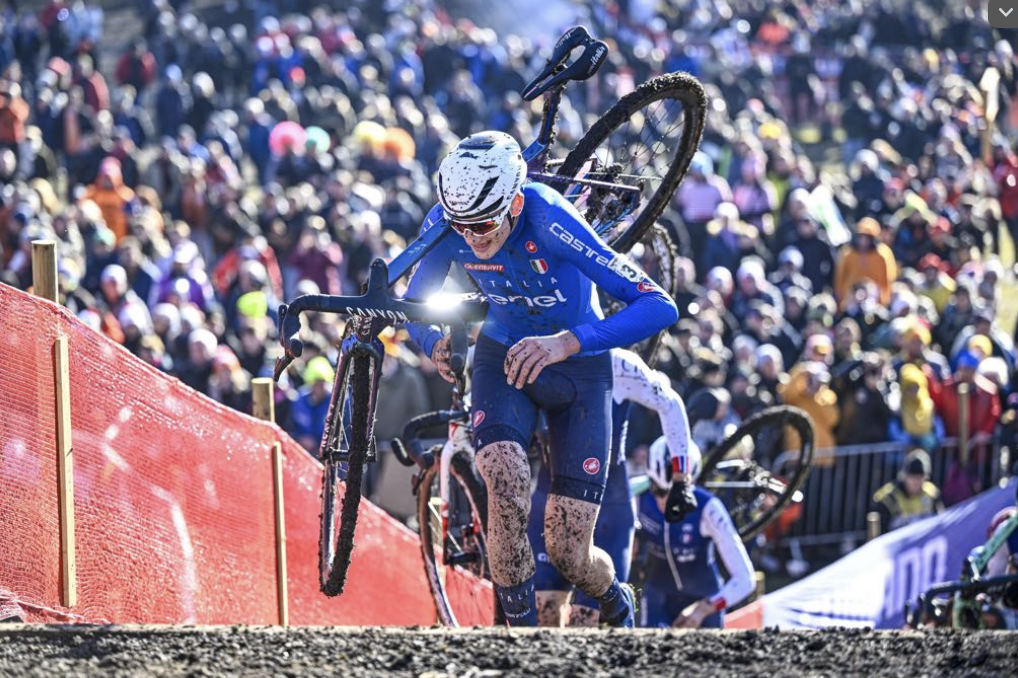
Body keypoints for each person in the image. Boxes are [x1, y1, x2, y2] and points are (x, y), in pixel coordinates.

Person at [405, 131, 679, 627]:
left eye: (483, 224)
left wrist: (569, 342)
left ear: (514, 203)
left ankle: (616, 598)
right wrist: (431, 343)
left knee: (569, 552)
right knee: (505, 482)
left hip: (578, 368)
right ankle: (521, 639)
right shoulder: (451, 219)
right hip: (504, 356)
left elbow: (659, 305)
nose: (471, 237)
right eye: (460, 225)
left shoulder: (549, 218)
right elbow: (412, 302)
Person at [529, 348, 699, 627]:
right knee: (544, 613)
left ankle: (620, 605)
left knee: (585, 623)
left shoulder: (619, 362)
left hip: (607, 505)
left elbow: (670, 403)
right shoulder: (535, 346)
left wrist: (682, 478)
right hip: (549, 497)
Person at [634, 436, 755, 628]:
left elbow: (746, 579)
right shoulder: (638, 497)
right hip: (658, 597)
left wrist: (705, 608)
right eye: (657, 490)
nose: (664, 501)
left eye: (674, 493)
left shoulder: (709, 507)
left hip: (704, 599)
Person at [870, 450, 943, 534]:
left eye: (920, 478)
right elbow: (879, 532)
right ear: (904, 476)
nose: (916, 482)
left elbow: (941, 523)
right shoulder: (888, 498)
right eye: (912, 477)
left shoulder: (932, 494)